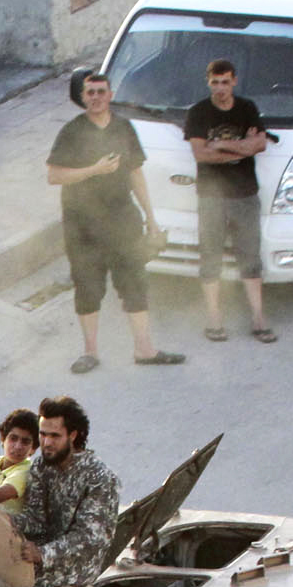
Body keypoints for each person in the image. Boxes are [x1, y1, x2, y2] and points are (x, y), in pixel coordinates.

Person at [45, 72, 184, 375]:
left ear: (110, 95)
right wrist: (93, 170)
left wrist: (151, 218)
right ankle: (90, 352)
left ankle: (144, 349)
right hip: (82, 224)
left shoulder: (124, 128)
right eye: (90, 92)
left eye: (101, 92)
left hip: (123, 220)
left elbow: (135, 173)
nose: (95, 97)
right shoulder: (72, 131)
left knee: (134, 283)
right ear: (83, 98)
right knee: (88, 287)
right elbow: (54, 175)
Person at [184, 59, 275, 344]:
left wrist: (221, 145)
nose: (220, 88)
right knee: (210, 256)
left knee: (250, 257)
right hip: (211, 196)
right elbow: (200, 154)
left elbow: (259, 144)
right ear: (208, 81)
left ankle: (259, 319)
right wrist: (242, 149)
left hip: (244, 193)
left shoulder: (247, 108)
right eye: (215, 82)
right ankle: (213, 318)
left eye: (225, 82)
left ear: (234, 81)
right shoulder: (199, 112)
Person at [15, 396, 121, 587]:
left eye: (55, 436)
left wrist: (42, 553)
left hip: (77, 568)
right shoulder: (42, 466)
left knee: (7, 583)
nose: (46, 443)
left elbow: (89, 538)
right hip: (43, 552)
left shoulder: (100, 478)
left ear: (72, 435)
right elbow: (35, 519)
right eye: (43, 434)